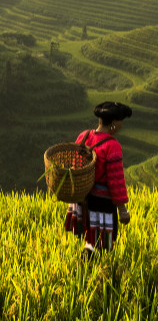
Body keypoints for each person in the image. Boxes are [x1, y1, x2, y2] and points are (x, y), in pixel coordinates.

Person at [65, 101, 133, 257]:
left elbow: (76, 165)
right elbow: (116, 181)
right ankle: (89, 270)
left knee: (90, 238)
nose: (122, 125)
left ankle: (85, 268)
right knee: (99, 243)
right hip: (101, 203)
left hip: (82, 198)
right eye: (121, 121)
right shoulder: (112, 146)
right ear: (114, 123)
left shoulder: (84, 136)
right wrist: (123, 210)